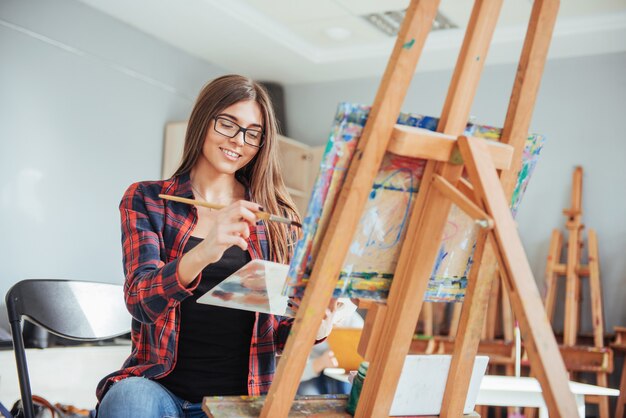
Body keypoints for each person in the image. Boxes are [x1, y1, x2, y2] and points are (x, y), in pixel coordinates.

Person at [96, 74, 317, 418]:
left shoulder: (276, 219)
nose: (238, 140)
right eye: (228, 124)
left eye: (252, 133)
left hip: (241, 401)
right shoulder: (149, 199)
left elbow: (279, 334)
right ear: (203, 119)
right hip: (158, 389)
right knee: (128, 402)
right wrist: (205, 250)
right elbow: (141, 302)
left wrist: (320, 322)